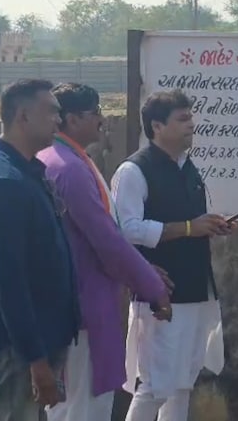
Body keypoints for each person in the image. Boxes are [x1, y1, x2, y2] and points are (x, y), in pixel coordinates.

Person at [35, 83, 174, 421]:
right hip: (81, 309)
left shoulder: (64, 159)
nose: (102, 119)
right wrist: (151, 285)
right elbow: (106, 239)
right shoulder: (68, 167)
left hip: (75, 304)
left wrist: (143, 272)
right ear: (71, 119)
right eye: (96, 112)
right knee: (82, 409)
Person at [111, 89, 235, 421]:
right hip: (160, 291)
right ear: (157, 126)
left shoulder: (186, 167)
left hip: (195, 289)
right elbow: (127, 229)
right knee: (155, 386)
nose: (191, 125)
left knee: (182, 385)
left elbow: (189, 223)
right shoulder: (134, 171)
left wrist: (210, 226)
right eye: (182, 119)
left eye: (190, 117)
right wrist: (190, 228)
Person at [0, 79, 80, 421]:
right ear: (23, 116)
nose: (59, 120)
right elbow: (9, 283)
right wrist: (36, 360)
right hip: (19, 353)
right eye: (52, 112)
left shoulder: (24, 171)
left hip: (35, 345)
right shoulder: (3, 183)